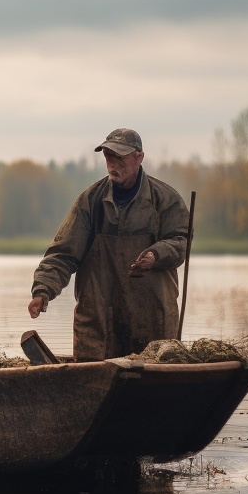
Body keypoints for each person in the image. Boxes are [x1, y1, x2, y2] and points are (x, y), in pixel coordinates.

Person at [27, 128, 190, 361]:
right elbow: (63, 253)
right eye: (108, 157)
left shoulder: (165, 199)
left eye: (119, 158)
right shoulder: (90, 201)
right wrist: (42, 291)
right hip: (99, 324)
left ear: (139, 157)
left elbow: (181, 242)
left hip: (151, 322)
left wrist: (156, 254)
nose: (113, 164)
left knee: (153, 373)